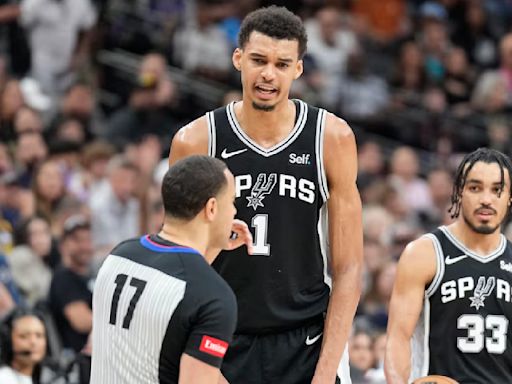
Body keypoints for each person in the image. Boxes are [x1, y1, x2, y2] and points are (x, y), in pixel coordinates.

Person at [169, 6, 363, 383]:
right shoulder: (196, 141)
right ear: (238, 58)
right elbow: (178, 265)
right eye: (258, 60)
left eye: (281, 63)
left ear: (298, 69)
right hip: (222, 337)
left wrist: (324, 375)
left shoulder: (331, 138)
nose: (268, 74)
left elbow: (350, 268)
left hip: (306, 339)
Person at [90, 155, 253, 383]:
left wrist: (213, 243)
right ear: (212, 208)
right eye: (232, 202)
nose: (235, 212)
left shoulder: (119, 255)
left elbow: (180, 284)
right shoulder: (213, 297)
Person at [385, 148, 512, 384]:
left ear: (509, 197)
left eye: (497, 190)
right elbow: (397, 338)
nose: (486, 199)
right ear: (459, 192)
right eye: (475, 188)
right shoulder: (425, 253)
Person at [0, 308, 47, 384]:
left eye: (39, 335)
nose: (33, 342)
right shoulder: (4, 378)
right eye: (24, 336)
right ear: (8, 341)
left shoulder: (48, 376)